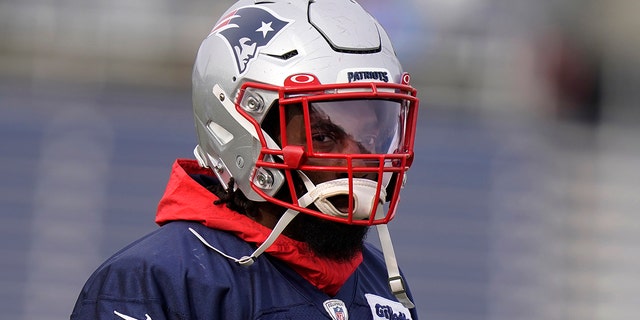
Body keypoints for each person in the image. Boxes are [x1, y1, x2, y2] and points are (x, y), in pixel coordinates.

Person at [71, 0, 420, 319]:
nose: (358, 160)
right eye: (324, 137)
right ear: (238, 126)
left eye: (371, 137)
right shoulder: (156, 282)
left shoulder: (381, 281)